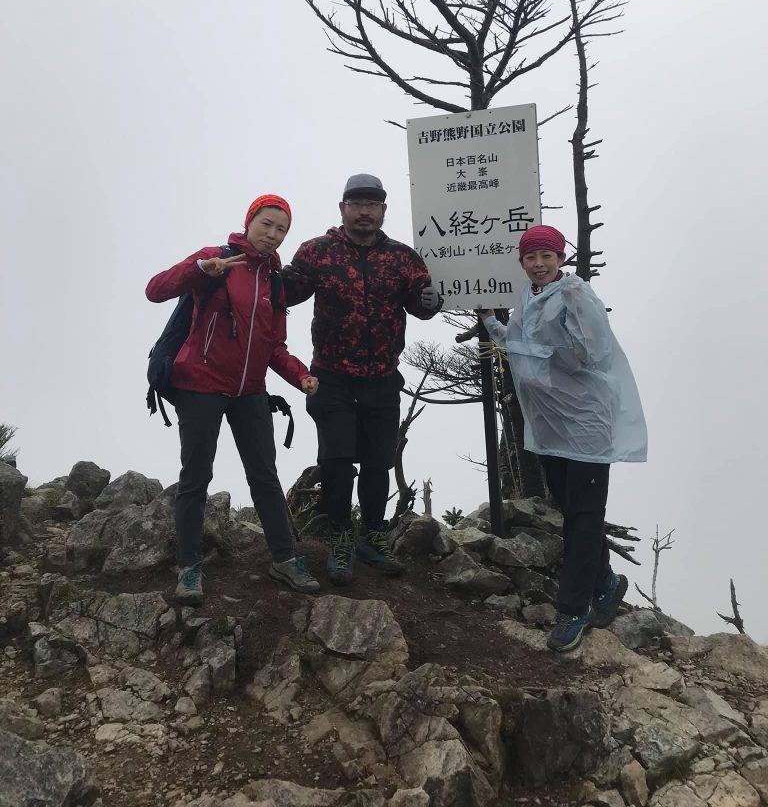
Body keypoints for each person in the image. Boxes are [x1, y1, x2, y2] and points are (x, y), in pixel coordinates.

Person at [478, 224, 647, 652]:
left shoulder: (576, 294)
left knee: (583, 517)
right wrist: (492, 324)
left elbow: (588, 355)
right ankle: (606, 584)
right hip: (551, 425)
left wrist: (532, 347)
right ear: (521, 262)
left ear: (561, 258)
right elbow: (521, 344)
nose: (538, 264)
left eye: (546, 256)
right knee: (571, 510)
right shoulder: (527, 295)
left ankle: (572, 609)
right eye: (530, 258)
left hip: (587, 423)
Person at [145, 195, 321, 605]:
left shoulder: (275, 282)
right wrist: (199, 270)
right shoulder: (217, 258)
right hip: (201, 385)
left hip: (250, 391)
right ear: (249, 221)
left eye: (281, 229)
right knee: (196, 477)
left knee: (265, 476)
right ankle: (188, 567)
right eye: (266, 224)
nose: (273, 234)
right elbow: (155, 290)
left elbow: (273, 346)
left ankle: (284, 559)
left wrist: (301, 376)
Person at [281, 173, 443, 585]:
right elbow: (285, 292)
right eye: (356, 204)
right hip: (331, 377)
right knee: (336, 463)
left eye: (372, 205)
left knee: (377, 463)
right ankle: (340, 537)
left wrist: (430, 301)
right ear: (343, 209)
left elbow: (422, 304)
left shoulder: (403, 258)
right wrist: (252, 266)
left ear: (383, 210)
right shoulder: (317, 252)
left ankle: (372, 536)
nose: (364, 212)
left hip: (382, 379)